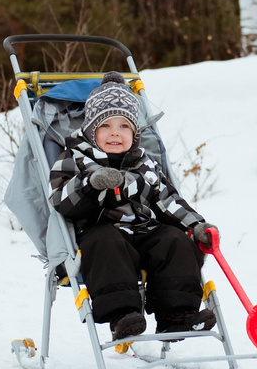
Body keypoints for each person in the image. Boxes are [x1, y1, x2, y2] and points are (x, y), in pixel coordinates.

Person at [49, 72, 219, 341]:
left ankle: (176, 316)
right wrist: (90, 184)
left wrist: (195, 225)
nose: (115, 132)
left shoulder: (145, 163)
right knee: (105, 242)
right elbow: (61, 200)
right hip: (101, 230)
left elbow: (168, 200)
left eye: (124, 126)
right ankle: (123, 317)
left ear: (135, 132)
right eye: (105, 126)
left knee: (175, 240)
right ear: (91, 129)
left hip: (145, 231)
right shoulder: (75, 159)